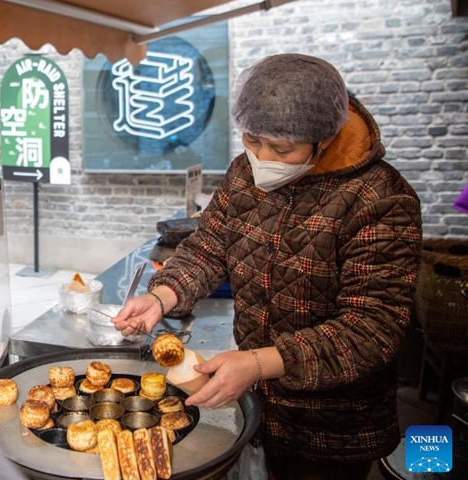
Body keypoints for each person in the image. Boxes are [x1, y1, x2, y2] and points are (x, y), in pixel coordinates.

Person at [112, 53, 422, 479]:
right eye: (252, 139)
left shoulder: (378, 199)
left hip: (333, 427)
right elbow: (209, 246)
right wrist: (162, 296)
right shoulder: (244, 174)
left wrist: (260, 363)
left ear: (325, 138)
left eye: (283, 148)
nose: (262, 157)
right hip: (257, 406)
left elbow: (372, 329)